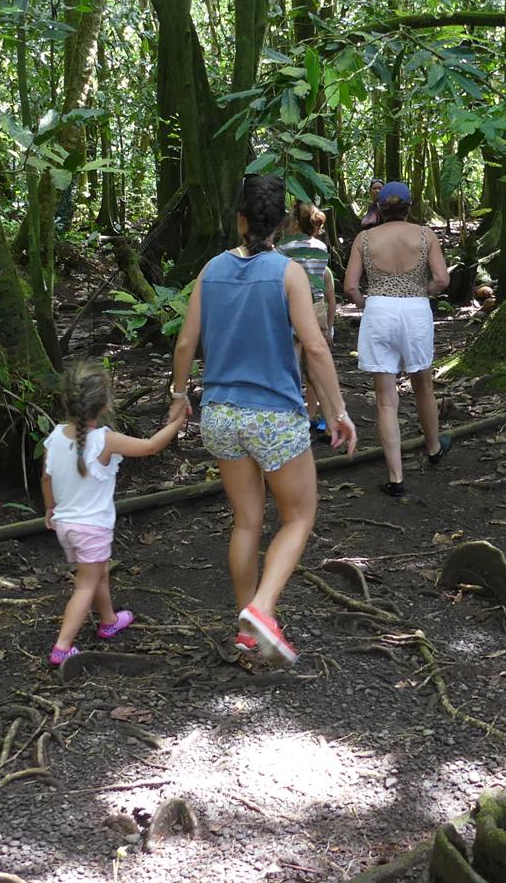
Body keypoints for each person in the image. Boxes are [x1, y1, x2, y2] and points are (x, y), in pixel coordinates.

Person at [168, 174, 358, 664]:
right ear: (279, 224)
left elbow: (186, 342)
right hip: (272, 415)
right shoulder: (288, 272)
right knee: (297, 516)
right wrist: (337, 411)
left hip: (220, 415)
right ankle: (264, 608)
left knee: (246, 521)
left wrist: (177, 395)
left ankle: (247, 627)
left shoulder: (211, 270)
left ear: (240, 217)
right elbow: (314, 346)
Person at [42, 360, 187, 665]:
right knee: (86, 584)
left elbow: (47, 478)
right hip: (91, 528)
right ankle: (62, 646)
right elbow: (149, 447)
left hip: (66, 525)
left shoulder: (55, 437)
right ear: (106, 402)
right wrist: (177, 423)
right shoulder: (104, 440)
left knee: (97, 573)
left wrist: (49, 509)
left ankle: (108, 621)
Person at [345, 181, 450, 497]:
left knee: (386, 399)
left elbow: (350, 286)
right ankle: (433, 448)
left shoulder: (364, 238)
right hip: (415, 311)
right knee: (423, 386)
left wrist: (370, 304)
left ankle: (396, 478)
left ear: (378, 206)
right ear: (410, 205)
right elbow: (442, 279)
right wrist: (421, 292)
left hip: (379, 312)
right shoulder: (424, 235)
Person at [277, 200, 337, 439]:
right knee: (317, 367)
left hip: (291, 307)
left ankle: (292, 421)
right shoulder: (321, 248)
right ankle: (331, 421)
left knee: (290, 365)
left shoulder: (283, 247)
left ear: (293, 221)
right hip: (317, 307)